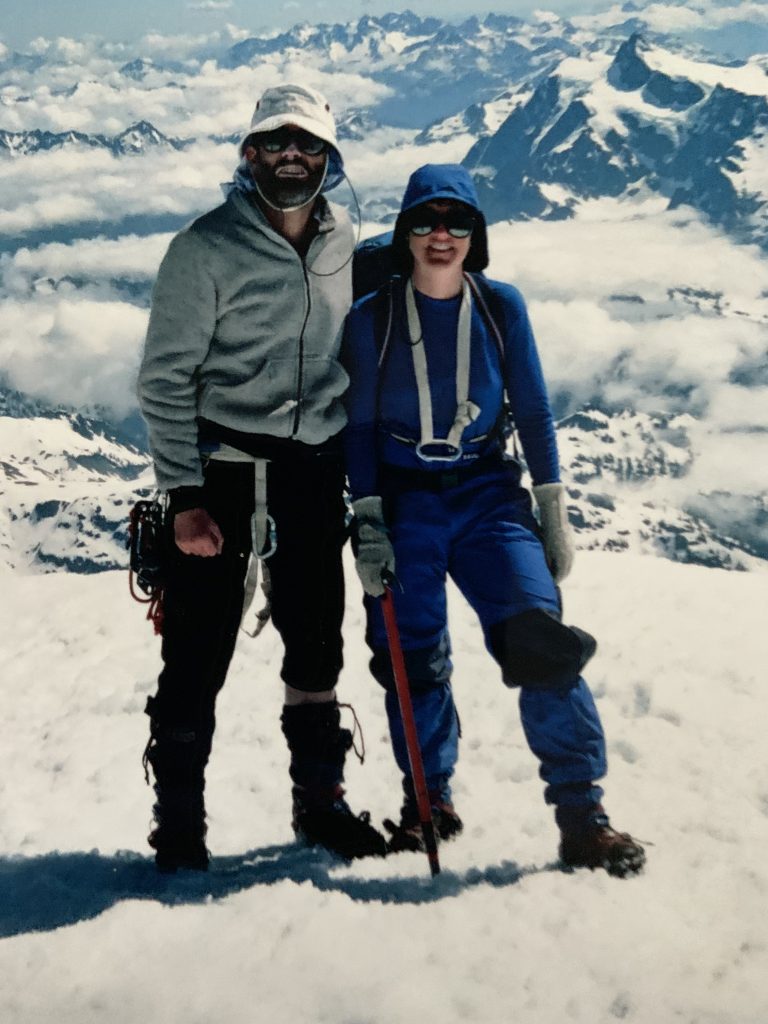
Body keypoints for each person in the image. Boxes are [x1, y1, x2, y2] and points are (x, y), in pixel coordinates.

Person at [342, 163, 645, 877]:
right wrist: (368, 518)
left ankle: (583, 818)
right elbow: (355, 429)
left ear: (477, 235)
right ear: (403, 233)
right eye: (424, 220)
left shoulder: (500, 308)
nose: (440, 234)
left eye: (457, 221)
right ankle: (429, 805)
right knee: (412, 662)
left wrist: (551, 505)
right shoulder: (371, 319)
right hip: (406, 494)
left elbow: (534, 410)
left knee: (540, 641)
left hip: (486, 493)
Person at [137, 83, 386, 871]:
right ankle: (179, 826)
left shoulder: (345, 239)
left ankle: (320, 806)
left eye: (307, 145)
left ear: (328, 159)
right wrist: (182, 498)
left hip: (313, 472)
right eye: (275, 143)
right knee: (197, 655)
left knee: (317, 649)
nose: (291, 156)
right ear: (249, 155)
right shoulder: (203, 247)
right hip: (221, 476)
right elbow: (164, 378)